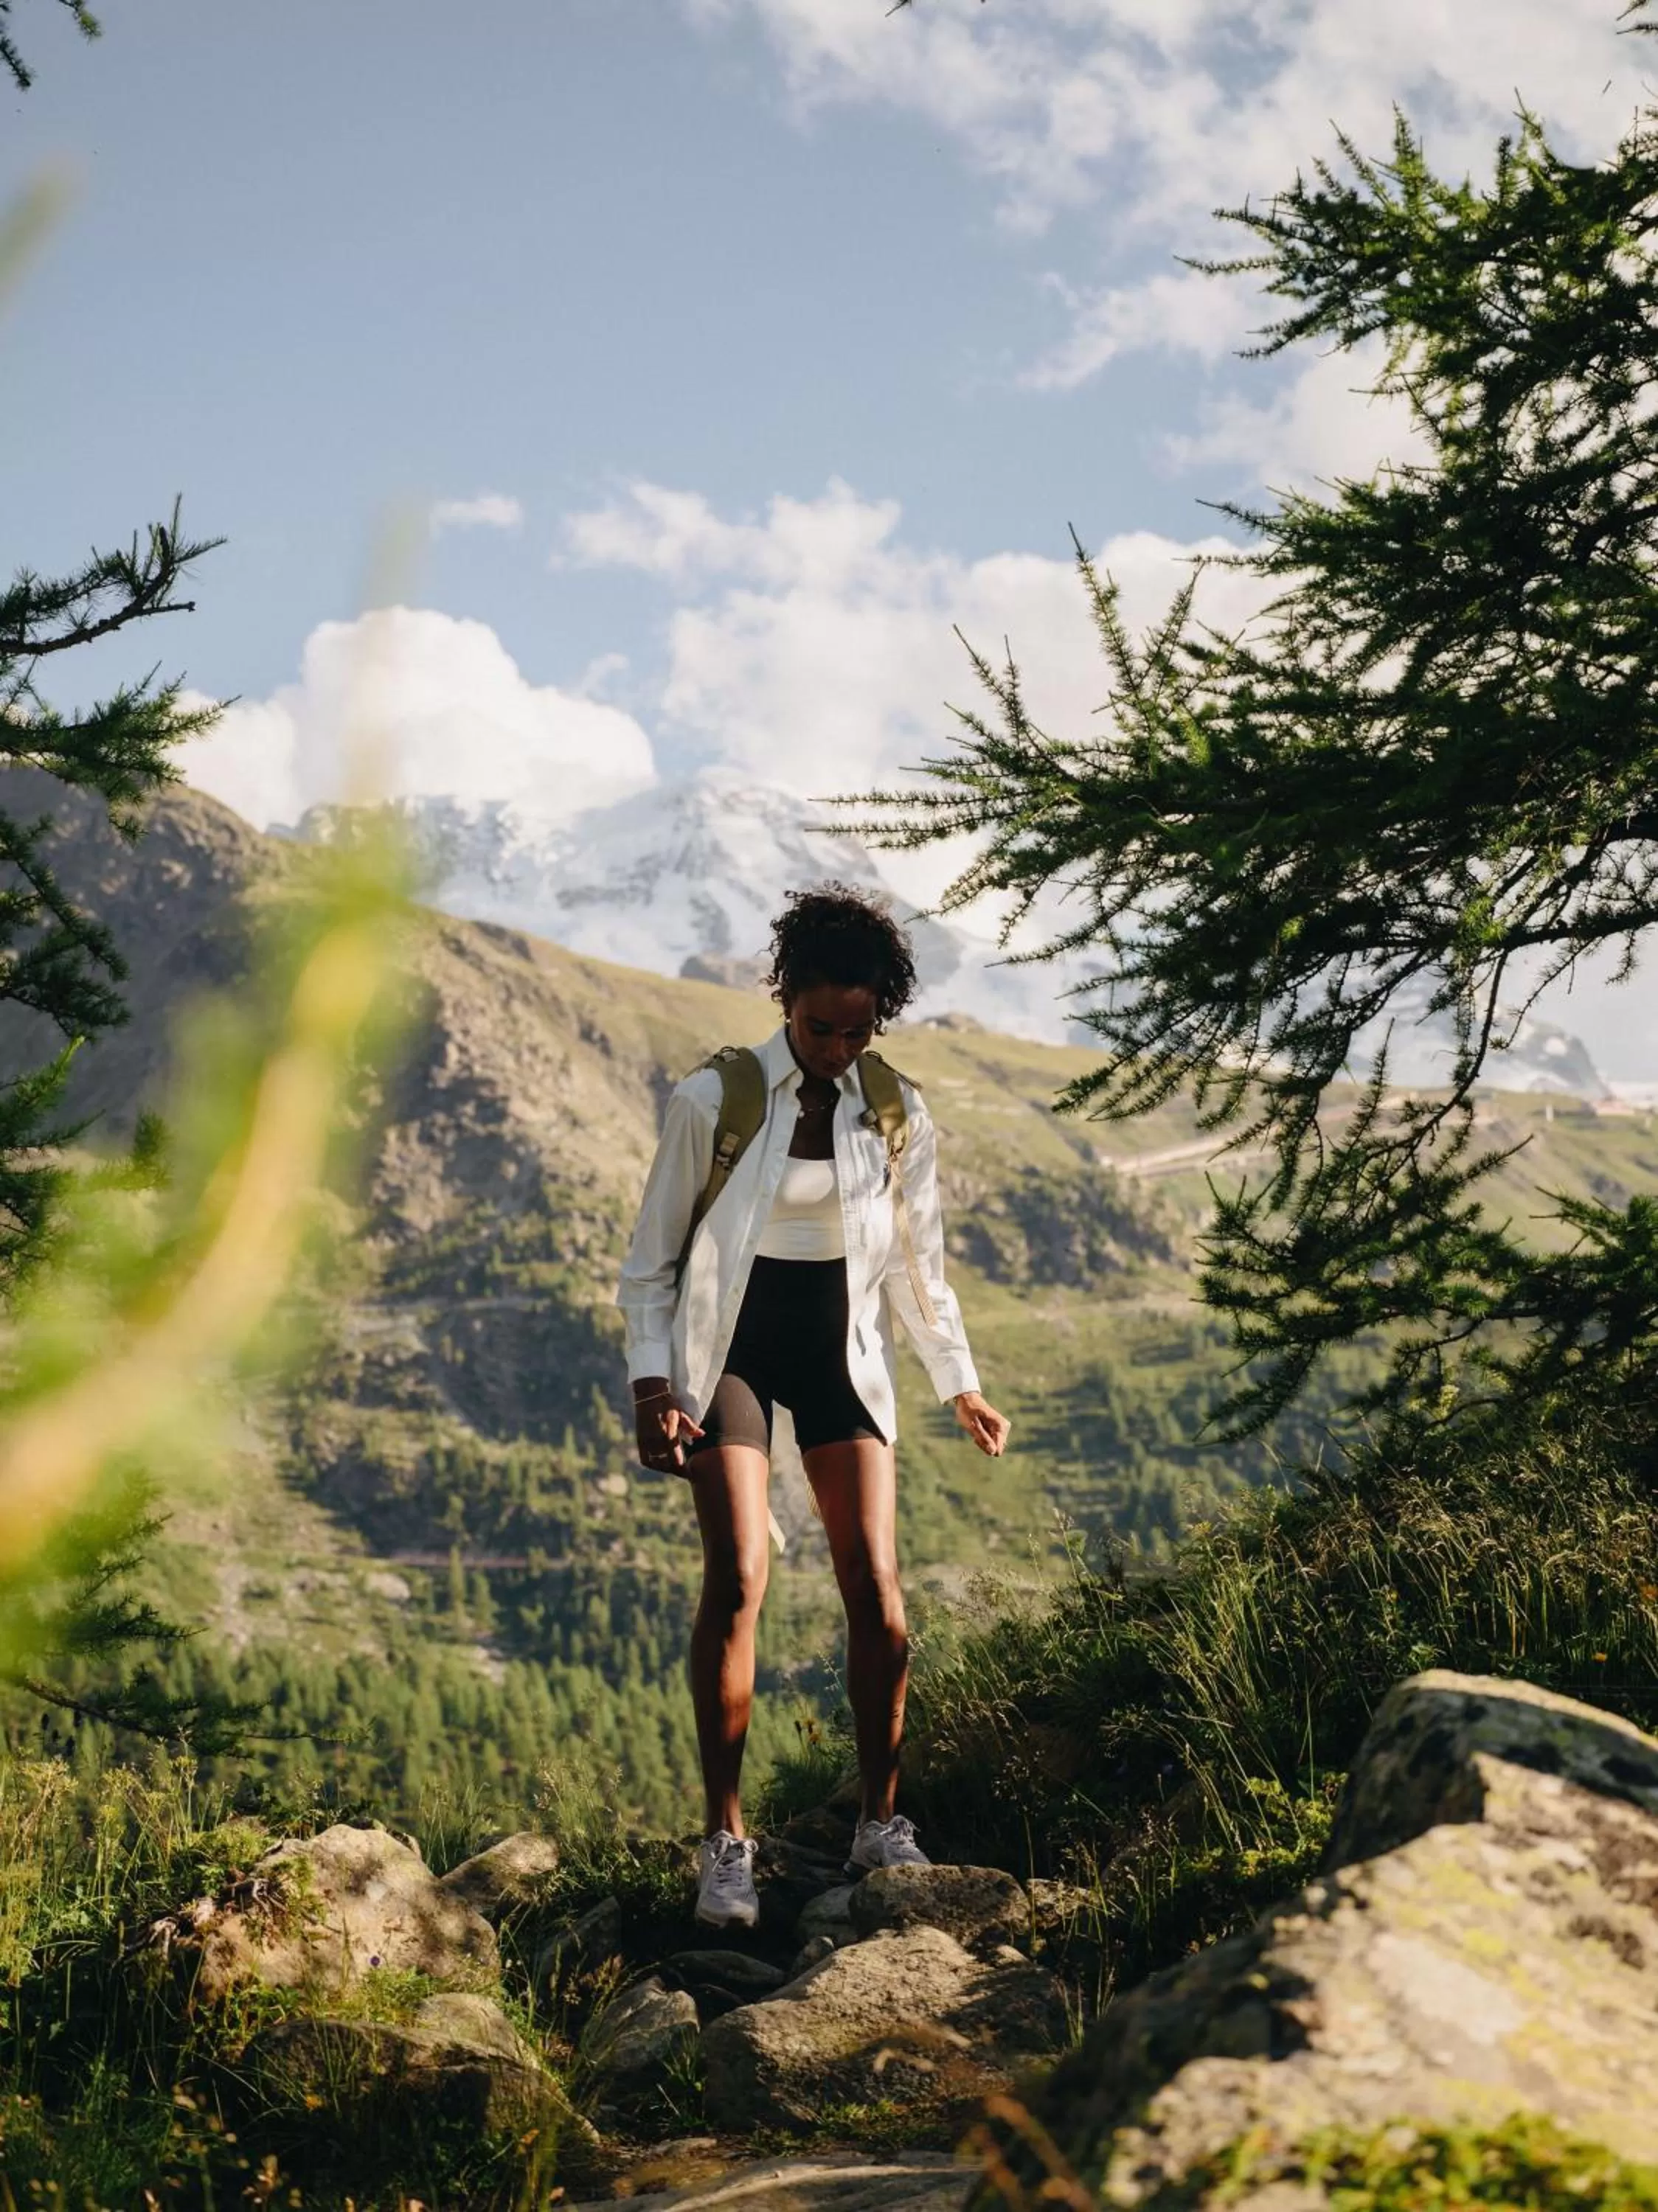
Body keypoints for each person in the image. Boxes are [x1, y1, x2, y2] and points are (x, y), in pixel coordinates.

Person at [617, 884, 1010, 1930]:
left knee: (875, 1586)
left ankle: (881, 1823)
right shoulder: (716, 1099)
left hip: (841, 1348)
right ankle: (726, 1843)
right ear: (785, 999)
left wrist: (957, 1380)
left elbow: (920, 1267)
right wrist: (653, 1385)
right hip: (731, 1347)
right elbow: (651, 1262)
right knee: (741, 1573)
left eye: (858, 1028)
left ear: (882, 1014)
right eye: (819, 1026)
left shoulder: (897, 1111)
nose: (837, 1045)